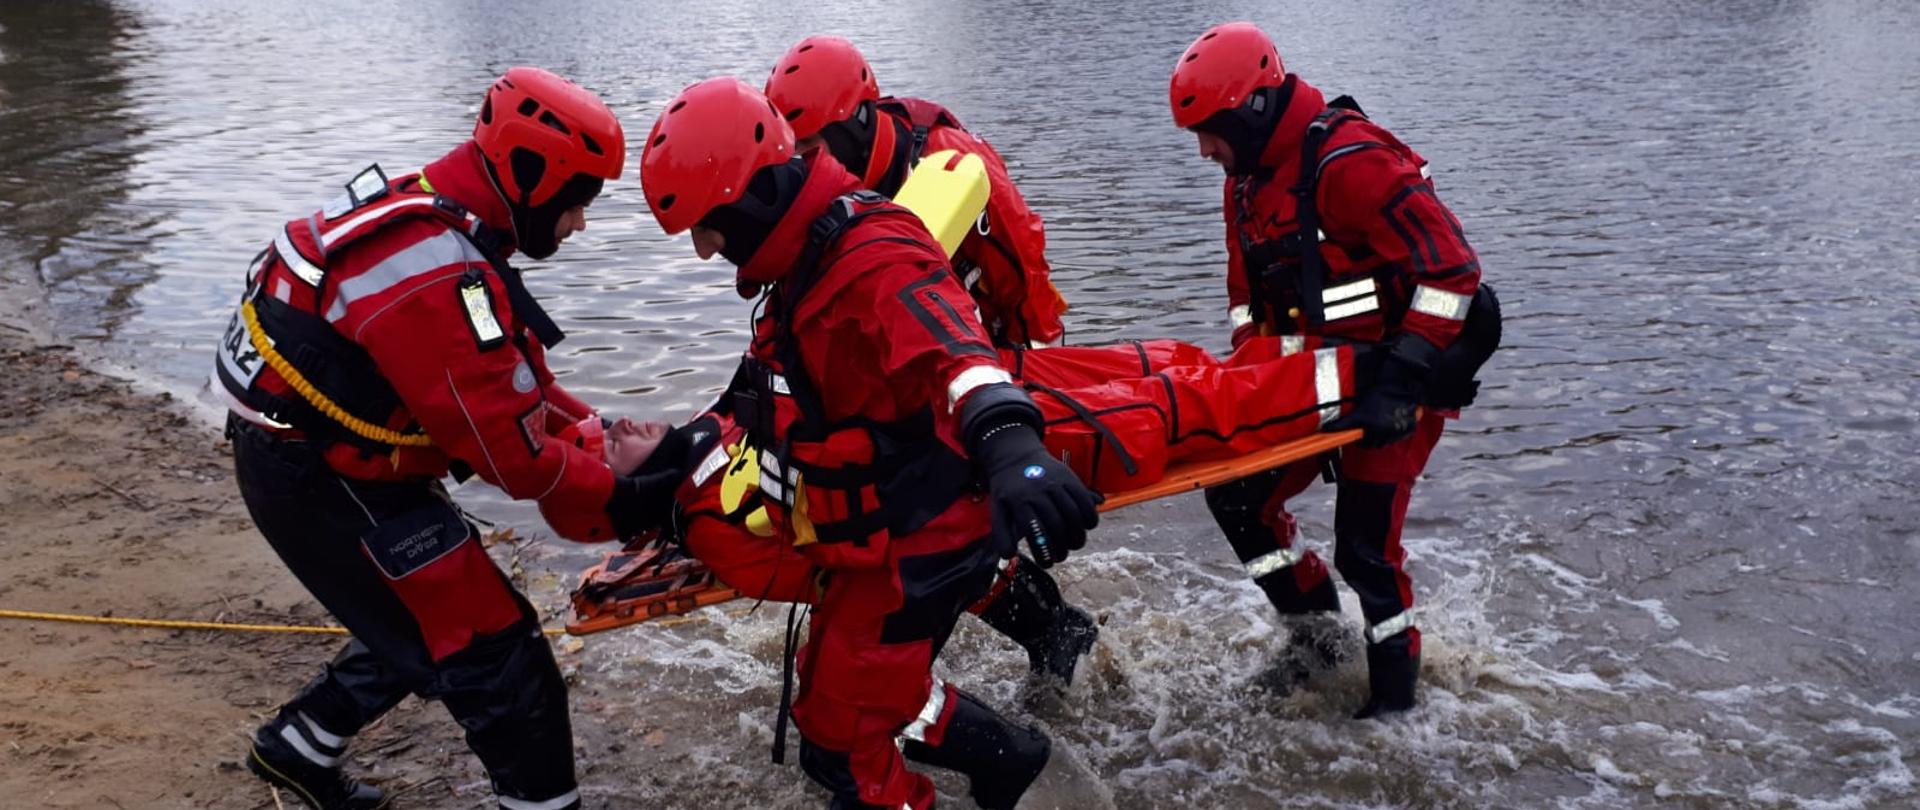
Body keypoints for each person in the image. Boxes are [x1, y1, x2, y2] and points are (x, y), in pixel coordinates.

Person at [639, 76, 1102, 810]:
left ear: (753, 196)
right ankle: (1008, 758)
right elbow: (766, 383)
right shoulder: (800, 262)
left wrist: (1012, 441)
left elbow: (956, 350)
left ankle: (1002, 761)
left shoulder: (870, 253)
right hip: (881, 530)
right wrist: (692, 439)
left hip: (925, 532)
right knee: (833, 704)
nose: (702, 251)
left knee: (840, 746)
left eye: (707, 225)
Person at [213, 67, 668, 810]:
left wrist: (599, 430)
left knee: (415, 620)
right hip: (320, 477)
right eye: (578, 202)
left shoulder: (435, 211)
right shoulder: (435, 272)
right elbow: (513, 461)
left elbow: (509, 387)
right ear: (530, 175)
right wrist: (631, 497)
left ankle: (296, 748)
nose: (579, 223)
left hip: (315, 457)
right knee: (498, 657)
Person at [1170, 22, 1498, 719]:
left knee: (1366, 553)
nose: (1204, 152)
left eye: (1211, 131)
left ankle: (1393, 709)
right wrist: (1245, 388)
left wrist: (1406, 381)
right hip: (1312, 378)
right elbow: (1244, 296)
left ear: (1252, 111)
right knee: (1235, 500)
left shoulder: (1352, 161)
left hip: (1394, 379)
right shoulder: (1247, 179)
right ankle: (1315, 643)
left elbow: (1453, 271)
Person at [764, 35, 1068, 348]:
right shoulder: (826, 182)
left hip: (983, 333)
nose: (801, 163)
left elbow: (1022, 261)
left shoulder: (952, 161)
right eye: (792, 150)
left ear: (851, 128)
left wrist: (1036, 353)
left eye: (807, 144)